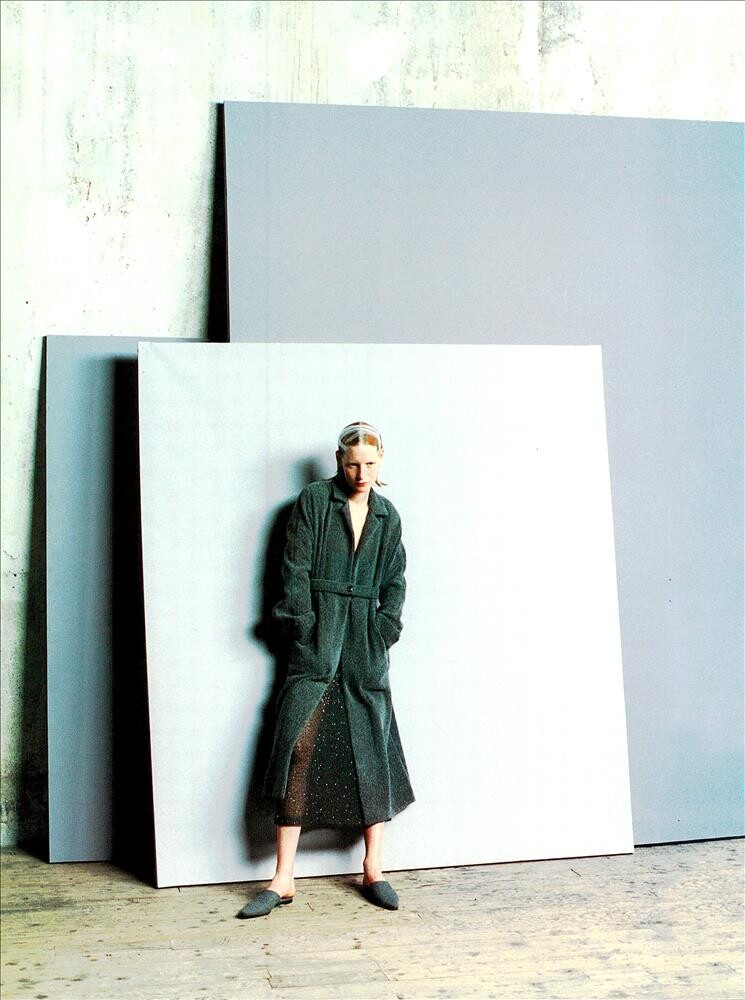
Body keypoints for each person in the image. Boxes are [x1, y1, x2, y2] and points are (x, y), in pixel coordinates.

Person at [237, 421, 415, 918]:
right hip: (320, 635)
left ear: (381, 461)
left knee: (372, 746)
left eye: (370, 464)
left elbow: (396, 580)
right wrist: (305, 627)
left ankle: (373, 867)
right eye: (353, 464)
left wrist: (383, 629)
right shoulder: (315, 500)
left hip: (364, 642)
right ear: (340, 460)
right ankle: (283, 877)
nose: (361, 474)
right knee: (299, 744)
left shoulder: (387, 515)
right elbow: (293, 569)